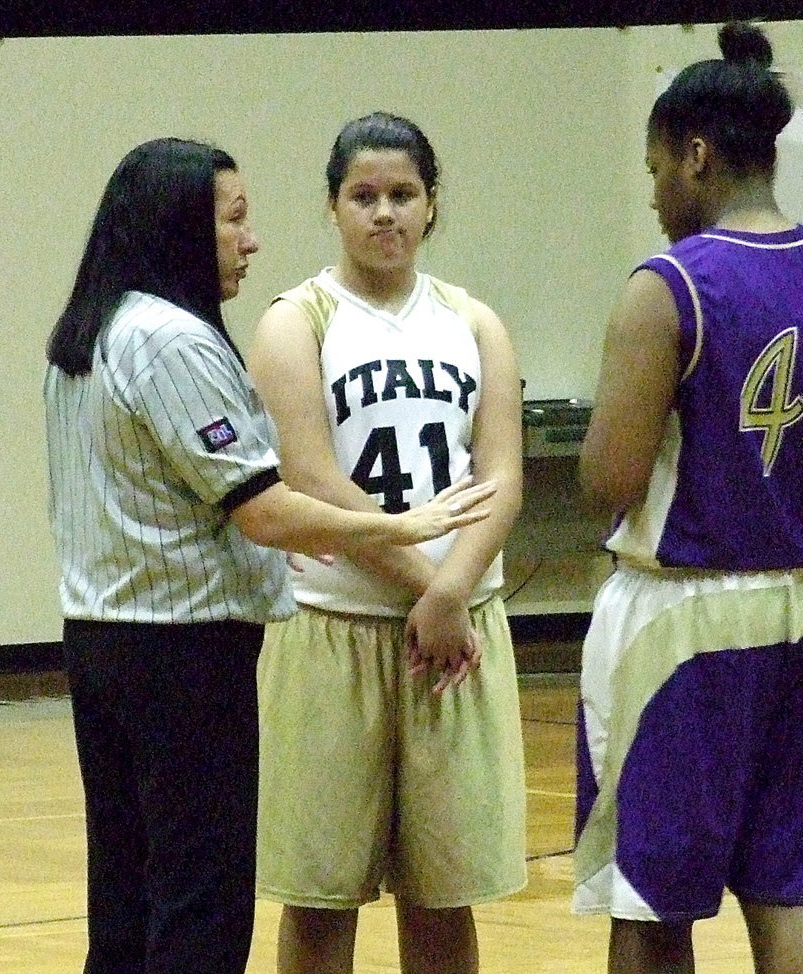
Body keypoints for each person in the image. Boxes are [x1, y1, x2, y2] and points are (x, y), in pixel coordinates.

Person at [44, 137, 495, 974]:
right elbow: (263, 508)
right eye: (234, 219)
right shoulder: (171, 340)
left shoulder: (91, 333)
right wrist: (402, 529)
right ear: (181, 227)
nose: (249, 241)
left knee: (128, 895)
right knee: (201, 901)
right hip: (180, 656)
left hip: (102, 640)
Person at [572, 23, 803, 974]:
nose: (655, 193)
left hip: (690, 616)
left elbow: (606, 482)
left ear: (694, 156)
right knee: (791, 893)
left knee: (653, 903)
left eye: (656, 168)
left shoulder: (669, 286)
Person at [247, 112, 526, 974]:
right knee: (322, 897)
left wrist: (453, 593)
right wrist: (425, 587)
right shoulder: (297, 319)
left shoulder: (474, 321)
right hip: (336, 628)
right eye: (363, 196)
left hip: (457, 639)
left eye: (402, 195)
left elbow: (503, 476)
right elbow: (313, 478)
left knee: (445, 899)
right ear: (332, 207)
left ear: (432, 205)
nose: (384, 214)